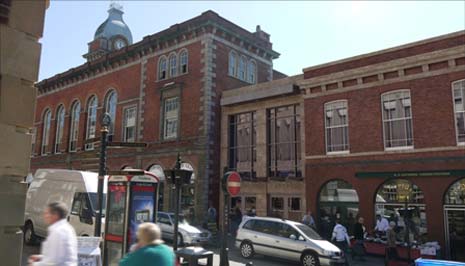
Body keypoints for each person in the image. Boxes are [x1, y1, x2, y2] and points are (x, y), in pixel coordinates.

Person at [28, 202, 78, 266]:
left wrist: (34, 265)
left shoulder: (57, 231)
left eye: (47, 213)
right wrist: (41, 257)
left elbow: (53, 262)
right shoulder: (68, 228)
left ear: (55, 215)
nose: (45, 216)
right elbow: (59, 255)